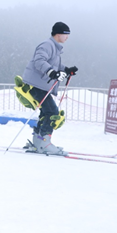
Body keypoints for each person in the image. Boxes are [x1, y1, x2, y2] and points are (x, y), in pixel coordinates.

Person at [21, 21, 78, 155]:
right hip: (36, 85)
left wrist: (66, 69)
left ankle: (38, 142)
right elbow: (39, 61)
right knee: (52, 112)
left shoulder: (54, 47)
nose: (67, 37)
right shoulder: (47, 45)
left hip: (40, 85)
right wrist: (52, 72)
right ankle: (45, 143)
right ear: (59, 34)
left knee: (46, 112)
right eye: (66, 34)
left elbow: (54, 63)